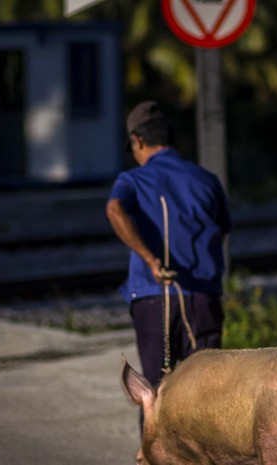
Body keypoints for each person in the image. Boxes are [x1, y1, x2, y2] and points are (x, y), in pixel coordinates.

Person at [106, 100, 232, 389]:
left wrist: (151, 260)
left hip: (154, 299)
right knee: (206, 394)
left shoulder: (132, 180)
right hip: (203, 300)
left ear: (137, 141)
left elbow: (114, 210)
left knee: (156, 393)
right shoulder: (207, 180)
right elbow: (222, 230)